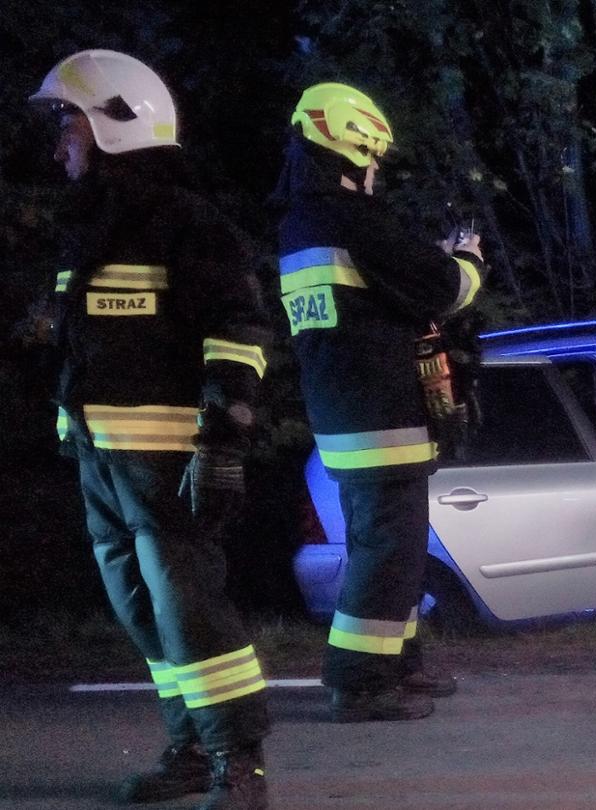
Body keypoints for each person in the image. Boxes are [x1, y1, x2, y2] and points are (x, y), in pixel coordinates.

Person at [30, 50, 273, 810]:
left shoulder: (186, 223)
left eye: (66, 118)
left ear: (113, 122)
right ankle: (195, 750)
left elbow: (238, 329)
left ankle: (243, 767)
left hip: (168, 455)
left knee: (188, 610)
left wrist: (222, 440)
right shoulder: (91, 226)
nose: (58, 137)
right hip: (101, 454)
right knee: (143, 609)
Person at [271, 82, 484, 722]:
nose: (374, 172)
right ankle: (360, 683)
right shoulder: (352, 221)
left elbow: (369, 301)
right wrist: (468, 259)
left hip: (343, 415)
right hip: (380, 417)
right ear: (353, 148)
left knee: (390, 553)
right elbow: (442, 288)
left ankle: (400, 665)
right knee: (388, 555)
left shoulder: (299, 225)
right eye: (374, 159)